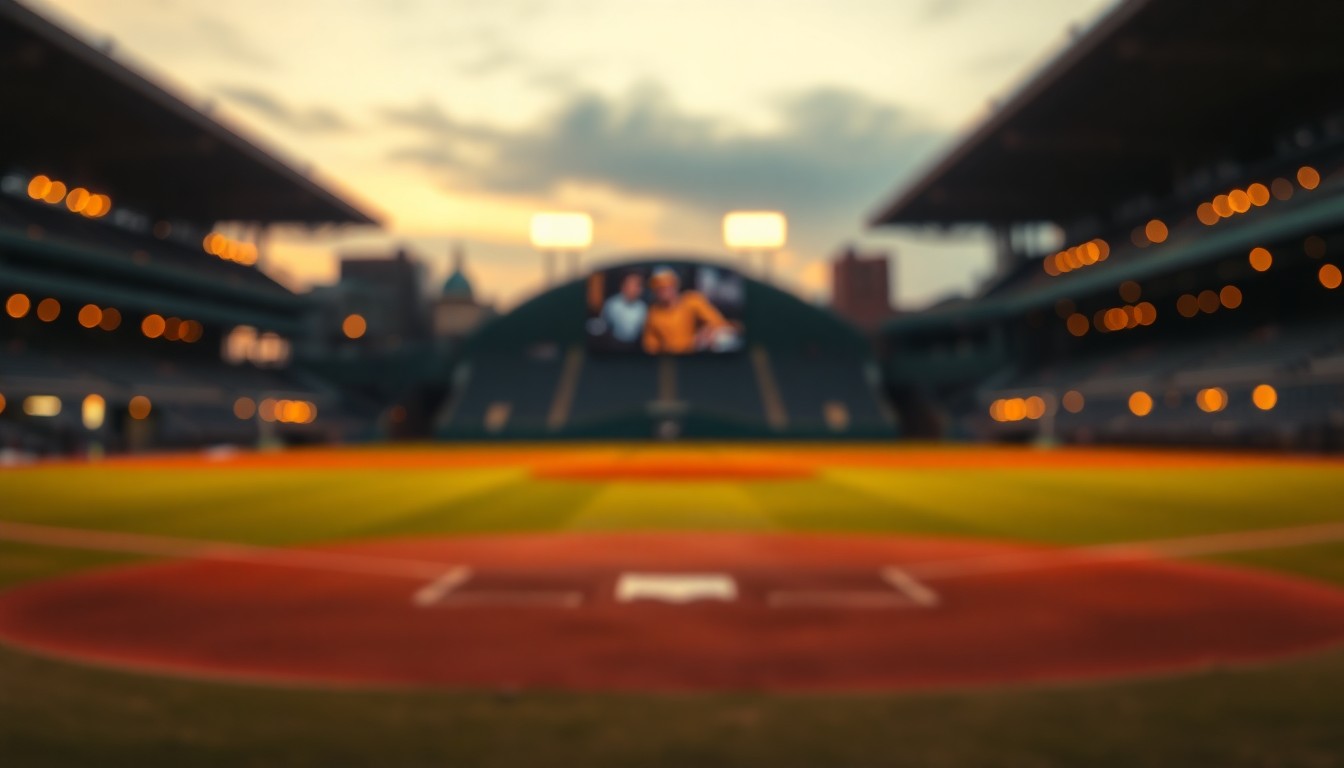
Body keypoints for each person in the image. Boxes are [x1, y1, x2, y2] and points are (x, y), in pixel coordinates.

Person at [641, 267, 730, 355]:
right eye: (659, 287)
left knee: (723, 338)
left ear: (676, 285)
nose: (664, 290)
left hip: (698, 351)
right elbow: (650, 346)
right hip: (672, 358)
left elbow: (719, 322)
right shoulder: (653, 314)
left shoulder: (692, 300)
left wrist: (707, 331)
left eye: (668, 285)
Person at [601, 272, 648, 344]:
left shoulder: (643, 307)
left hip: (636, 345)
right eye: (631, 285)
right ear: (623, 287)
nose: (635, 289)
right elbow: (604, 324)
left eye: (638, 286)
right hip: (613, 344)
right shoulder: (612, 304)